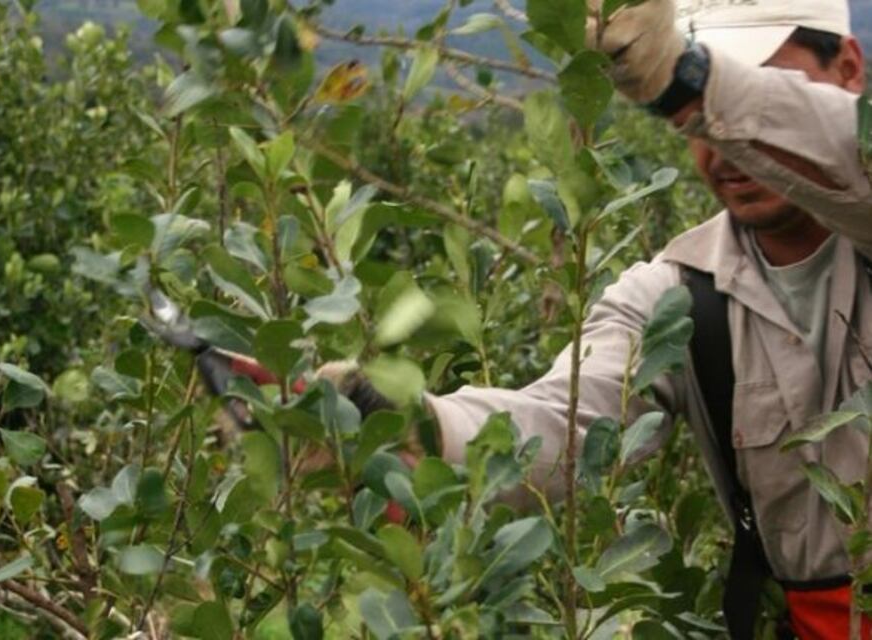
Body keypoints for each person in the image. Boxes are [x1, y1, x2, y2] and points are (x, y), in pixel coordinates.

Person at [328, 0, 872, 637]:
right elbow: (563, 421)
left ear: (848, 70)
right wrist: (408, 421)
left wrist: (689, 78)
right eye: (700, 123)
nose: (723, 142)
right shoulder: (677, 294)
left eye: (760, 95)